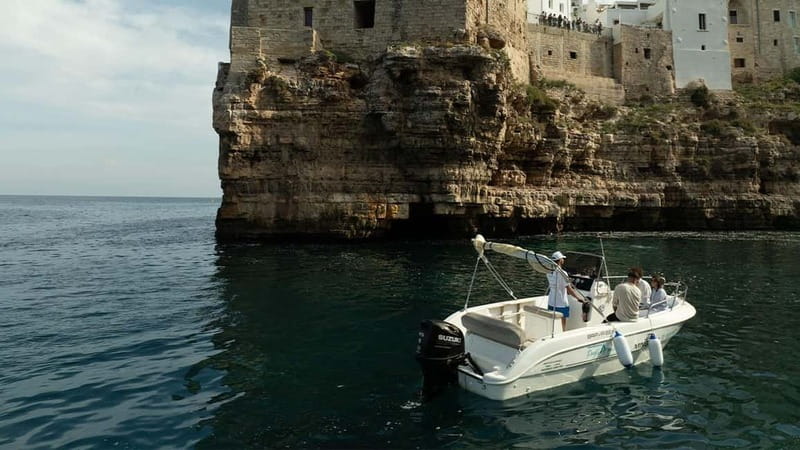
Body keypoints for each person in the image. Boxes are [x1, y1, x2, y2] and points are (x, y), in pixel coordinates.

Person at [547, 251, 580, 331]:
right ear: (560, 260)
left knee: (553, 321)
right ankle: (563, 332)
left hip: (551, 302)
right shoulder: (563, 273)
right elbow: (569, 289)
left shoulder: (548, 272)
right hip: (561, 302)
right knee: (563, 321)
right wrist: (578, 298)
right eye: (562, 258)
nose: (563, 260)